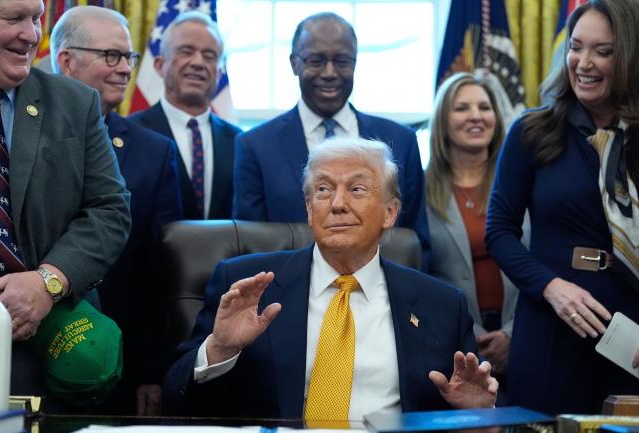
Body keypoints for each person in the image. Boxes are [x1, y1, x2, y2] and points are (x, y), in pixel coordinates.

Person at [164, 137, 497, 420]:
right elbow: (173, 401)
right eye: (323, 190)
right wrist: (219, 350)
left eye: (357, 189)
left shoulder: (442, 306)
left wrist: (478, 415)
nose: (338, 204)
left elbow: (471, 401)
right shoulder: (246, 287)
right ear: (310, 209)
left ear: (390, 212)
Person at [486, 0, 639, 415]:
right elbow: (499, 231)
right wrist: (550, 287)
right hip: (550, 324)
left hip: (630, 334)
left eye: (602, 52)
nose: (583, 63)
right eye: (576, 47)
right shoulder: (531, 131)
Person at [0, 0, 131, 404]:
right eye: (15, 18)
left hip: (56, 349)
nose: (32, 34)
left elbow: (110, 209)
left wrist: (46, 282)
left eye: (36, 19)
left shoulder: (75, 102)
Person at [50, 6, 184, 415]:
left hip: (120, 366)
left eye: (129, 57)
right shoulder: (15, 134)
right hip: (27, 351)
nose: (125, 69)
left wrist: (151, 371)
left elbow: (160, 275)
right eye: (111, 56)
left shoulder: (154, 152)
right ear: (66, 61)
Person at [232, 12, 431, 271]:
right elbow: (249, 245)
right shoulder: (255, 146)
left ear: (355, 63)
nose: (330, 72)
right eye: (316, 60)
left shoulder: (400, 142)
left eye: (342, 61)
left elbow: (416, 243)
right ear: (294, 63)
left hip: (381, 290)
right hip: (288, 290)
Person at [426, 72, 528, 385]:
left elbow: (544, 259)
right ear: (442, 121)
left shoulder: (521, 182)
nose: (476, 116)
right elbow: (421, 273)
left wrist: (511, 334)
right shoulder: (420, 191)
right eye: (462, 108)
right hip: (452, 342)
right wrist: (472, 334)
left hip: (524, 335)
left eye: (485, 107)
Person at [129, 11, 241, 220]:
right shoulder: (130, 134)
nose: (198, 62)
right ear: (159, 65)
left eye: (209, 55)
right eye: (186, 51)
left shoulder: (239, 141)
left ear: (219, 73)